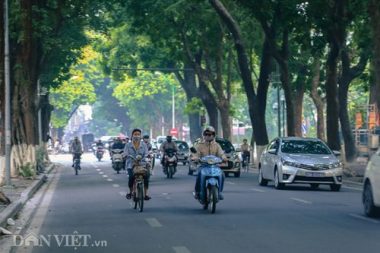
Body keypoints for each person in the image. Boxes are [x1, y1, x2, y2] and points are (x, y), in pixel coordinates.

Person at [192, 126, 227, 200]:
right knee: (198, 175)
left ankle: (219, 192)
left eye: (210, 134)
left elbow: (221, 153)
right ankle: (197, 192)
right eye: (206, 134)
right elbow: (195, 154)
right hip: (203, 166)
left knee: (222, 175)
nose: (208, 136)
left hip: (215, 166)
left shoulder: (217, 145)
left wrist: (224, 158)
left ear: (213, 135)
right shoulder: (199, 145)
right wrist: (195, 158)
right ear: (203, 135)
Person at [124, 128, 151, 200]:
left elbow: (146, 153)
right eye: (135, 134)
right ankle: (130, 192)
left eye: (138, 134)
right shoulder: (128, 145)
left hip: (142, 164)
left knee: (146, 177)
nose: (137, 136)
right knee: (131, 178)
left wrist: (147, 156)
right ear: (132, 135)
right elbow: (125, 153)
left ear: (140, 136)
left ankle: (145, 194)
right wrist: (125, 156)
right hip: (131, 164)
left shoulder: (144, 145)